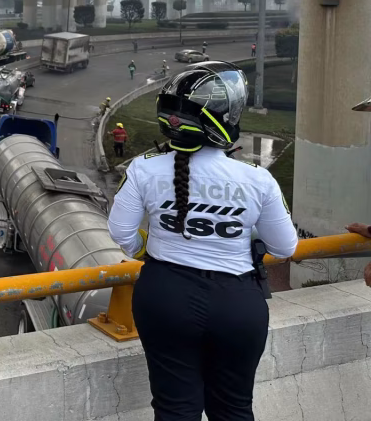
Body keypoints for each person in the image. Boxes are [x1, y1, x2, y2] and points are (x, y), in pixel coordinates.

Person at [107, 61, 298, 421]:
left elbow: (120, 232)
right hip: (237, 303)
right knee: (234, 408)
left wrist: (147, 250)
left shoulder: (144, 167)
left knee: (175, 408)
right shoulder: (257, 179)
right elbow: (285, 248)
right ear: (224, 118)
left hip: (164, 295)